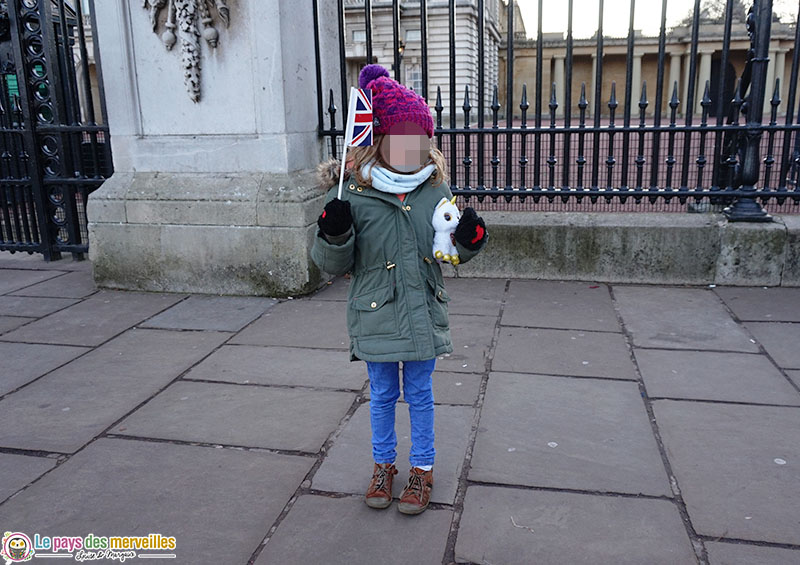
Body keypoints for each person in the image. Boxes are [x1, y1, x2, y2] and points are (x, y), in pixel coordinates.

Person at [311, 64, 488, 515]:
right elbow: (333, 263)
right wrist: (335, 233)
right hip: (376, 312)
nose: (414, 148)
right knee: (383, 395)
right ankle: (383, 466)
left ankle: (422, 469)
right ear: (381, 142)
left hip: (423, 311)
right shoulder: (354, 192)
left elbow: (447, 249)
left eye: (421, 138)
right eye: (403, 138)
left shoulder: (434, 188)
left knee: (422, 395)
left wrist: (469, 242)